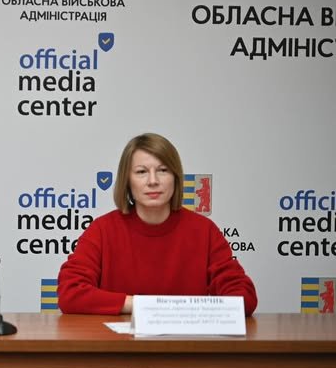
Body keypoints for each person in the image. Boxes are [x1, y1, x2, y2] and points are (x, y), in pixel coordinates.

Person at [57, 133, 257, 316]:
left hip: (186, 343)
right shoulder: (102, 230)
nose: (153, 181)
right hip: (117, 343)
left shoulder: (204, 230)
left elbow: (244, 298)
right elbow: (70, 293)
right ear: (127, 181)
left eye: (163, 170)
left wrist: (185, 311)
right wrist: (141, 306)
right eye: (141, 172)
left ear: (175, 178)